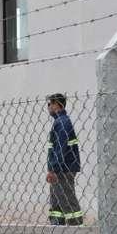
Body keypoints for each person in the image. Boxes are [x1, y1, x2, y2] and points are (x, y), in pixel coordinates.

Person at [45, 93, 84, 226]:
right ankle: (57, 228)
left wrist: (53, 169)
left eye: (50, 104)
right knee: (57, 201)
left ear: (57, 105)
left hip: (63, 169)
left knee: (67, 199)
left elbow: (60, 148)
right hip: (61, 168)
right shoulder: (60, 122)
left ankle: (77, 229)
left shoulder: (62, 123)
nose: (48, 107)